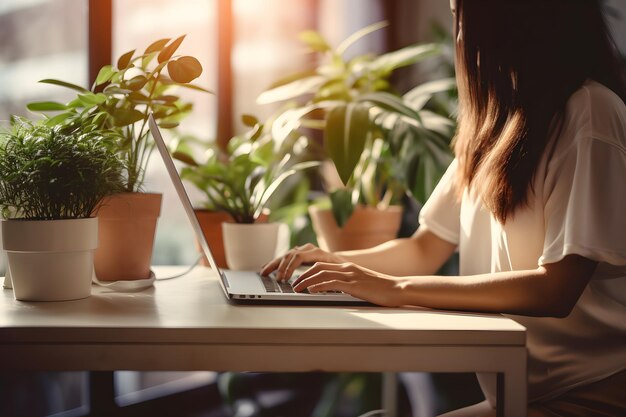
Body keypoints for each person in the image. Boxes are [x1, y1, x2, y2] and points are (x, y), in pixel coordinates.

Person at [262, 0, 626, 415]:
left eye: (460, 15)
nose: (458, 35)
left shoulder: (589, 113)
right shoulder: (496, 122)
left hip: (592, 394)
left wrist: (394, 289)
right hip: (521, 394)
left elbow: (556, 288)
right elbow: (425, 248)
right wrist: (335, 264)